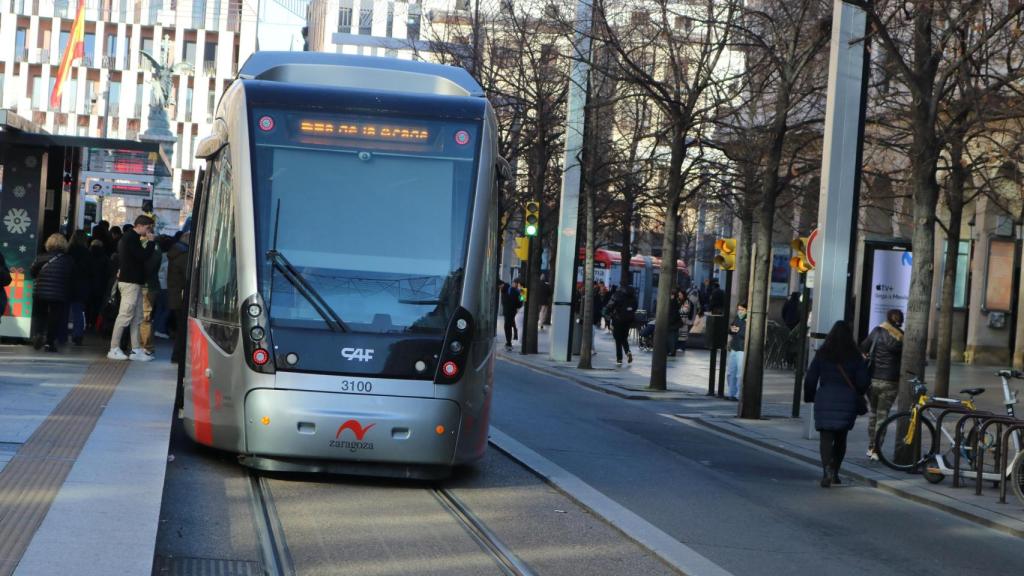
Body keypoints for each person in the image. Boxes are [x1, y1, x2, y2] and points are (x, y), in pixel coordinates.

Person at [804, 320, 870, 487]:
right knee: (841, 438)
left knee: (825, 438)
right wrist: (858, 393)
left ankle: (826, 470)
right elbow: (863, 381)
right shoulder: (855, 356)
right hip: (847, 400)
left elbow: (811, 378)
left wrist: (810, 396)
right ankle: (836, 472)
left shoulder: (823, 353)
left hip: (825, 398)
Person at [107, 215, 157, 361]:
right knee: (125, 315)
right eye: (148, 228)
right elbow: (143, 256)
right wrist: (151, 243)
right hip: (130, 283)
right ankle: (114, 347)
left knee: (137, 316)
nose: (149, 231)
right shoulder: (131, 238)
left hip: (134, 282)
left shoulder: (129, 238)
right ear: (140, 225)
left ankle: (136, 350)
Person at [860, 309, 904, 461]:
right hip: (891, 381)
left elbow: (863, 347)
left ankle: (870, 446)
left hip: (873, 379)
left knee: (873, 413)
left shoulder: (877, 331)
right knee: (883, 415)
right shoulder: (902, 338)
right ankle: (877, 449)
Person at [30, 233, 73, 352]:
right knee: (55, 318)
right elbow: (71, 276)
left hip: (40, 292)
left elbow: (32, 272)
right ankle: (49, 343)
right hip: (59, 293)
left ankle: (38, 334)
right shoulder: (68, 260)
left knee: (39, 315)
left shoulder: (41, 257)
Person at [66, 230, 93, 345]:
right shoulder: (87, 253)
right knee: (78, 311)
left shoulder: (68, 251)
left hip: (68, 283)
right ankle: (78, 335)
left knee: (64, 310)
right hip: (82, 285)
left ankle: (62, 333)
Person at [167, 232, 190, 363]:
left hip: (175, 297)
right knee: (182, 330)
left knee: (180, 328)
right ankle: (178, 356)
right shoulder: (184, 256)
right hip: (182, 297)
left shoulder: (175, 254)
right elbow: (189, 276)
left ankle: (177, 356)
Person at [604, 284, 637, 366]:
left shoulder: (617, 295)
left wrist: (607, 313)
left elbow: (610, 306)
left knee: (618, 340)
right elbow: (635, 307)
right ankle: (628, 351)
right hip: (628, 320)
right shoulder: (632, 297)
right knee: (624, 338)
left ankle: (619, 359)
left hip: (617, 320)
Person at [725, 303, 747, 400]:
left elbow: (748, 332)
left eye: (742, 309)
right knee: (731, 371)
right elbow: (731, 328)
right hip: (734, 347)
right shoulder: (737, 317)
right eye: (739, 309)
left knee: (740, 373)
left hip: (742, 348)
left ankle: (739, 394)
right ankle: (731, 393)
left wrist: (739, 330)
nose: (740, 311)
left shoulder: (748, 319)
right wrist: (731, 329)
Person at [499, 279, 522, 351]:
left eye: (516, 283)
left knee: (512, 325)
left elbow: (521, 301)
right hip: (513, 311)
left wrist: (518, 306)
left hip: (513, 311)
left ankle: (511, 341)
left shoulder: (517, 290)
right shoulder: (509, 290)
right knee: (513, 325)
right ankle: (512, 340)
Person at [667, 290, 683, 357]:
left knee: (671, 338)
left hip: (672, 323)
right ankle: (672, 351)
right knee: (674, 338)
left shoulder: (672, 303)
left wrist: (670, 321)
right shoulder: (676, 302)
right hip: (675, 323)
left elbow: (673, 314)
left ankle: (671, 351)